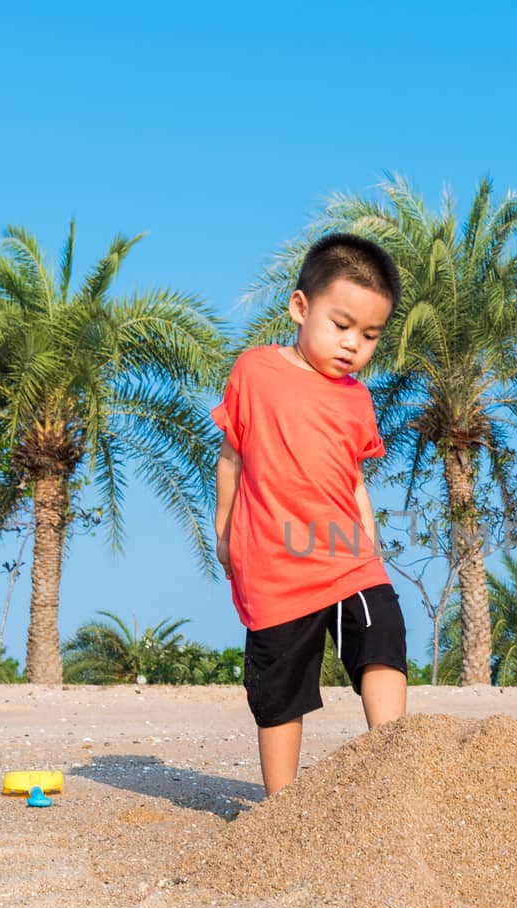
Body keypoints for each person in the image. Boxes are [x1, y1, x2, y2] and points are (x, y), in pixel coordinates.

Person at [212, 233, 408, 796]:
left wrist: (369, 545)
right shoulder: (255, 371)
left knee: (384, 637)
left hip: (348, 559)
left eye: (370, 336)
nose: (353, 345)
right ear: (301, 307)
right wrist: (223, 530)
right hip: (273, 566)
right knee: (279, 690)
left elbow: (354, 479)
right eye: (341, 325)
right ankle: (281, 806)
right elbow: (232, 456)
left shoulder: (357, 399)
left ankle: (394, 775)